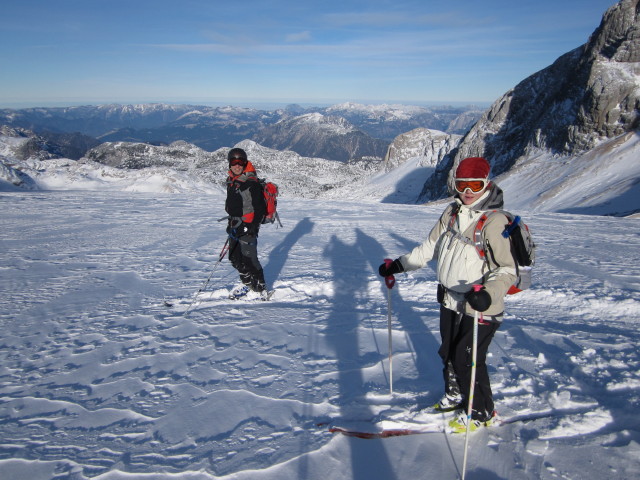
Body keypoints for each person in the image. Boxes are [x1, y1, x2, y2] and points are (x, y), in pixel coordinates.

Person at [378, 157, 517, 432]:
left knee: (468, 360)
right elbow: (429, 248)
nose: (467, 191)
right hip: (450, 299)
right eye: (462, 184)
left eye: (475, 185)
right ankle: (455, 396)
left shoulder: (495, 221)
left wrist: (488, 295)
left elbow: (507, 269)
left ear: (486, 184)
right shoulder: (451, 213)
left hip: (480, 305)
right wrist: (399, 265)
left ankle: (481, 412)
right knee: (448, 353)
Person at [225, 147, 268, 300]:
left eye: (240, 162)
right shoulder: (232, 181)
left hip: (248, 227)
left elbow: (260, 209)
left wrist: (251, 227)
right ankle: (248, 283)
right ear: (229, 164)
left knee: (250, 259)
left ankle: (260, 288)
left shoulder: (251, 183)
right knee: (234, 258)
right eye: (234, 162)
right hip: (234, 225)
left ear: (245, 163)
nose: (237, 165)